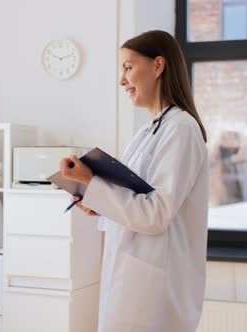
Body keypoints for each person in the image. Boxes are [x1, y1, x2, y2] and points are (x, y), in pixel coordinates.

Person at [60, 30, 209, 332]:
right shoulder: (148, 131)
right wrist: (98, 203)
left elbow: (155, 214)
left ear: (158, 66)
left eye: (128, 67)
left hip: (156, 289)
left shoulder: (181, 129)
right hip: (132, 278)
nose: (122, 80)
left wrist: (92, 184)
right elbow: (136, 202)